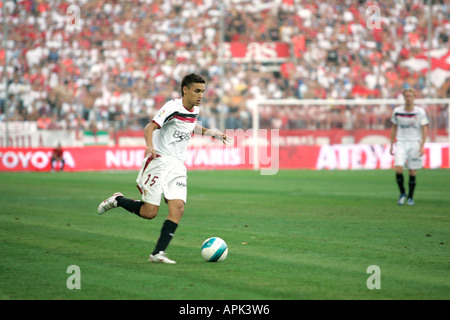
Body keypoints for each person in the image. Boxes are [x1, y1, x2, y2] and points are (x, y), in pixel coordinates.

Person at [97, 74, 231, 264]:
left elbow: (190, 126)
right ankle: (118, 200)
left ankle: (158, 253)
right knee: (149, 212)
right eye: (197, 91)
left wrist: (210, 133)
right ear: (185, 89)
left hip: (178, 165)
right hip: (159, 161)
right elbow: (149, 127)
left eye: (202, 91)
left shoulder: (195, 110)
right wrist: (149, 146)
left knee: (178, 209)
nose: (201, 95)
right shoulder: (171, 107)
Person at [389, 89, 429, 206]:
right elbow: (394, 127)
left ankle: (410, 197)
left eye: (411, 96)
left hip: (414, 143)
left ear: (414, 97)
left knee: (412, 171)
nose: (409, 98)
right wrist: (392, 144)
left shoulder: (420, 112)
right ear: (404, 97)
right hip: (401, 142)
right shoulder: (397, 111)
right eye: (407, 96)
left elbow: (424, 128)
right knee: (398, 169)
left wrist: (422, 145)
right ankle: (402, 193)